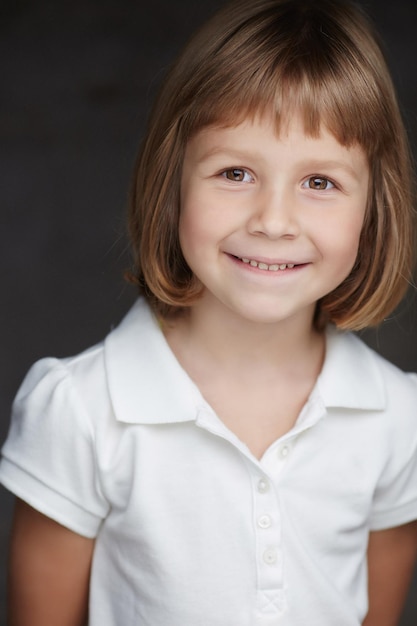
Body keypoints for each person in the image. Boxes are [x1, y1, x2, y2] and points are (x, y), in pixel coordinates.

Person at [1, 0, 417, 624]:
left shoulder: (396, 418)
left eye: (321, 183)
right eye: (235, 172)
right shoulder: (82, 411)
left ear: (374, 208)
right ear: (173, 184)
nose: (274, 221)